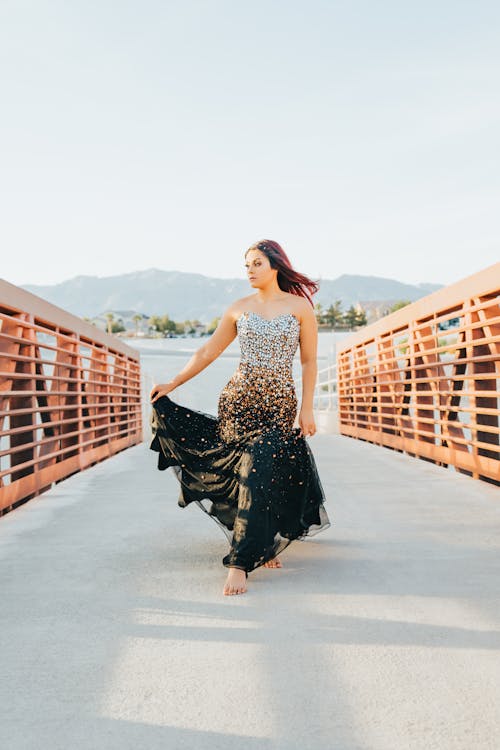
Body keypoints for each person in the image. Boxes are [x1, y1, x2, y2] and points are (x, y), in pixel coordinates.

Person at [149, 239, 331, 596]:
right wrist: (174, 382)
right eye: (246, 264)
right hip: (238, 401)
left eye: (256, 263)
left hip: (279, 403)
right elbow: (208, 351)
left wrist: (307, 407)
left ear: (275, 265)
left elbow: (309, 360)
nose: (249, 270)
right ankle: (257, 545)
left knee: (264, 466)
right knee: (245, 468)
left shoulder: (299, 308)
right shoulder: (238, 308)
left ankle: (241, 560)